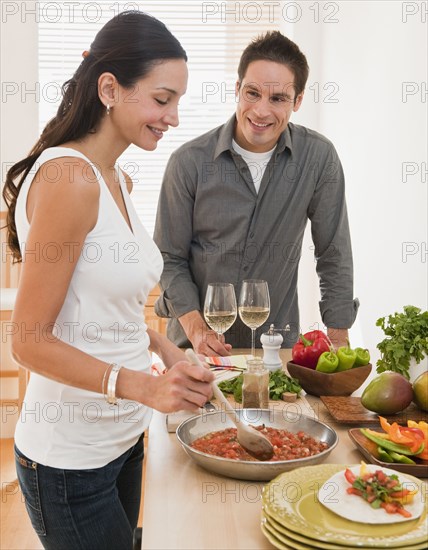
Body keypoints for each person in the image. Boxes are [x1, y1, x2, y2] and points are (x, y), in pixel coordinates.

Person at [2, 11, 214, 550]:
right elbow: (28, 341)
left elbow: (105, 308)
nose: (172, 117)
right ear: (109, 89)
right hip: (69, 463)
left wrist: (167, 349)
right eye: (162, 99)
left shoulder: (116, 176)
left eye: (178, 102)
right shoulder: (70, 178)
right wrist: (144, 386)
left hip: (121, 439)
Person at [154, 31, 359, 357]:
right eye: (252, 93)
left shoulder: (318, 159)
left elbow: (333, 254)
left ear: (298, 100)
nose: (262, 111)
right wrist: (196, 329)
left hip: (276, 352)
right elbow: (169, 258)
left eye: (278, 98)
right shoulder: (188, 162)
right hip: (194, 352)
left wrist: (340, 343)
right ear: (237, 90)